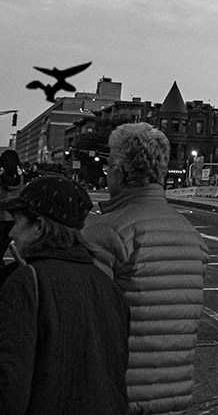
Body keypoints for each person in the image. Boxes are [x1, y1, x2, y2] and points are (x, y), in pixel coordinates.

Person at [82, 123, 209, 415]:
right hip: (174, 394)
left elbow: (84, 318)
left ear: (122, 172)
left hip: (115, 392)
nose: (107, 172)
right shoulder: (190, 234)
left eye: (110, 165)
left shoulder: (107, 231)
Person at [0, 174, 129, 414]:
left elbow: (10, 385)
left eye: (17, 222)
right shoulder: (108, 287)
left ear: (38, 226)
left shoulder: (27, 283)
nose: (11, 233)